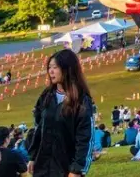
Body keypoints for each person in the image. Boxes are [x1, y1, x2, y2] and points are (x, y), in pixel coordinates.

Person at [28, 49, 94, 177]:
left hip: (66, 169)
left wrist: (76, 170)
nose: (50, 71)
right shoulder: (46, 96)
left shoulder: (81, 100)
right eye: (49, 67)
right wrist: (33, 156)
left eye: (55, 67)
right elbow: (38, 129)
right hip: (42, 167)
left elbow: (85, 138)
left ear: (67, 69)